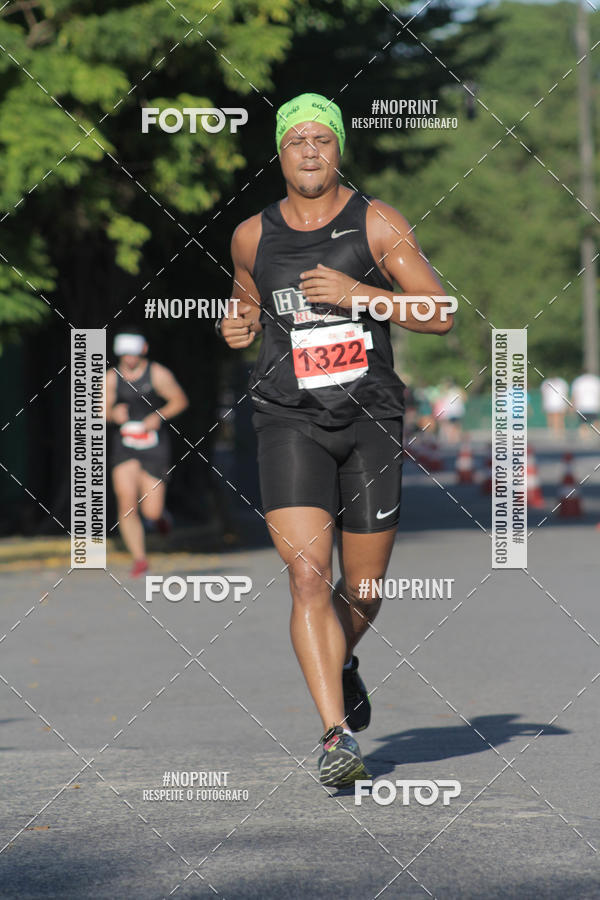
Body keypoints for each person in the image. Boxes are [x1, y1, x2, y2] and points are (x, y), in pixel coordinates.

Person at [219, 93, 453, 788]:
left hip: (370, 420)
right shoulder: (251, 235)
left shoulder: (377, 221)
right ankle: (334, 736)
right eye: (298, 141)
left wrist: (361, 294)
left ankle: (342, 661)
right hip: (288, 419)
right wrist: (237, 328)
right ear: (281, 152)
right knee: (307, 576)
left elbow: (438, 312)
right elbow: (245, 307)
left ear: (339, 148)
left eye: (323, 139)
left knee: (366, 587)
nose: (311, 151)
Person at [106, 330, 188, 577]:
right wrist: (112, 414)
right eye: (124, 354)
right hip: (125, 445)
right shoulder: (111, 378)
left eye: (133, 353)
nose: (128, 359)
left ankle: (161, 519)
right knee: (126, 500)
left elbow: (179, 400)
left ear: (143, 350)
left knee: (150, 510)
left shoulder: (158, 373)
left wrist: (158, 416)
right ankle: (140, 558)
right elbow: (100, 408)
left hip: (154, 445)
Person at [571, 370, 600, 438]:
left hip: (582, 406)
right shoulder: (596, 380)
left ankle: (585, 439)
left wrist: (572, 406)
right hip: (594, 405)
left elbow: (575, 395)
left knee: (583, 424)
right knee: (595, 422)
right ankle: (596, 437)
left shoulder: (578, 381)